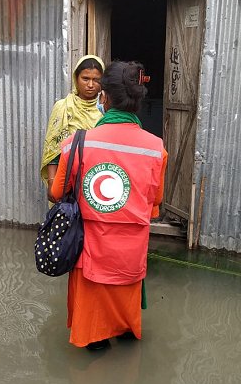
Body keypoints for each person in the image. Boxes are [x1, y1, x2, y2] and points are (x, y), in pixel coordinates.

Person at [50, 61, 168, 350]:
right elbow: (155, 204)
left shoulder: (76, 143)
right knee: (127, 341)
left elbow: (56, 193)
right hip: (130, 257)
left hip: (89, 254)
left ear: (104, 97)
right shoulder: (156, 148)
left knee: (95, 340)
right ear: (138, 101)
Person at [40, 55, 105, 201]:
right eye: (85, 78)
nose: (90, 85)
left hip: (97, 178)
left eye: (96, 80)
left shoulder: (105, 110)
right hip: (68, 179)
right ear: (76, 78)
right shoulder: (63, 107)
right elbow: (54, 148)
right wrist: (52, 183)